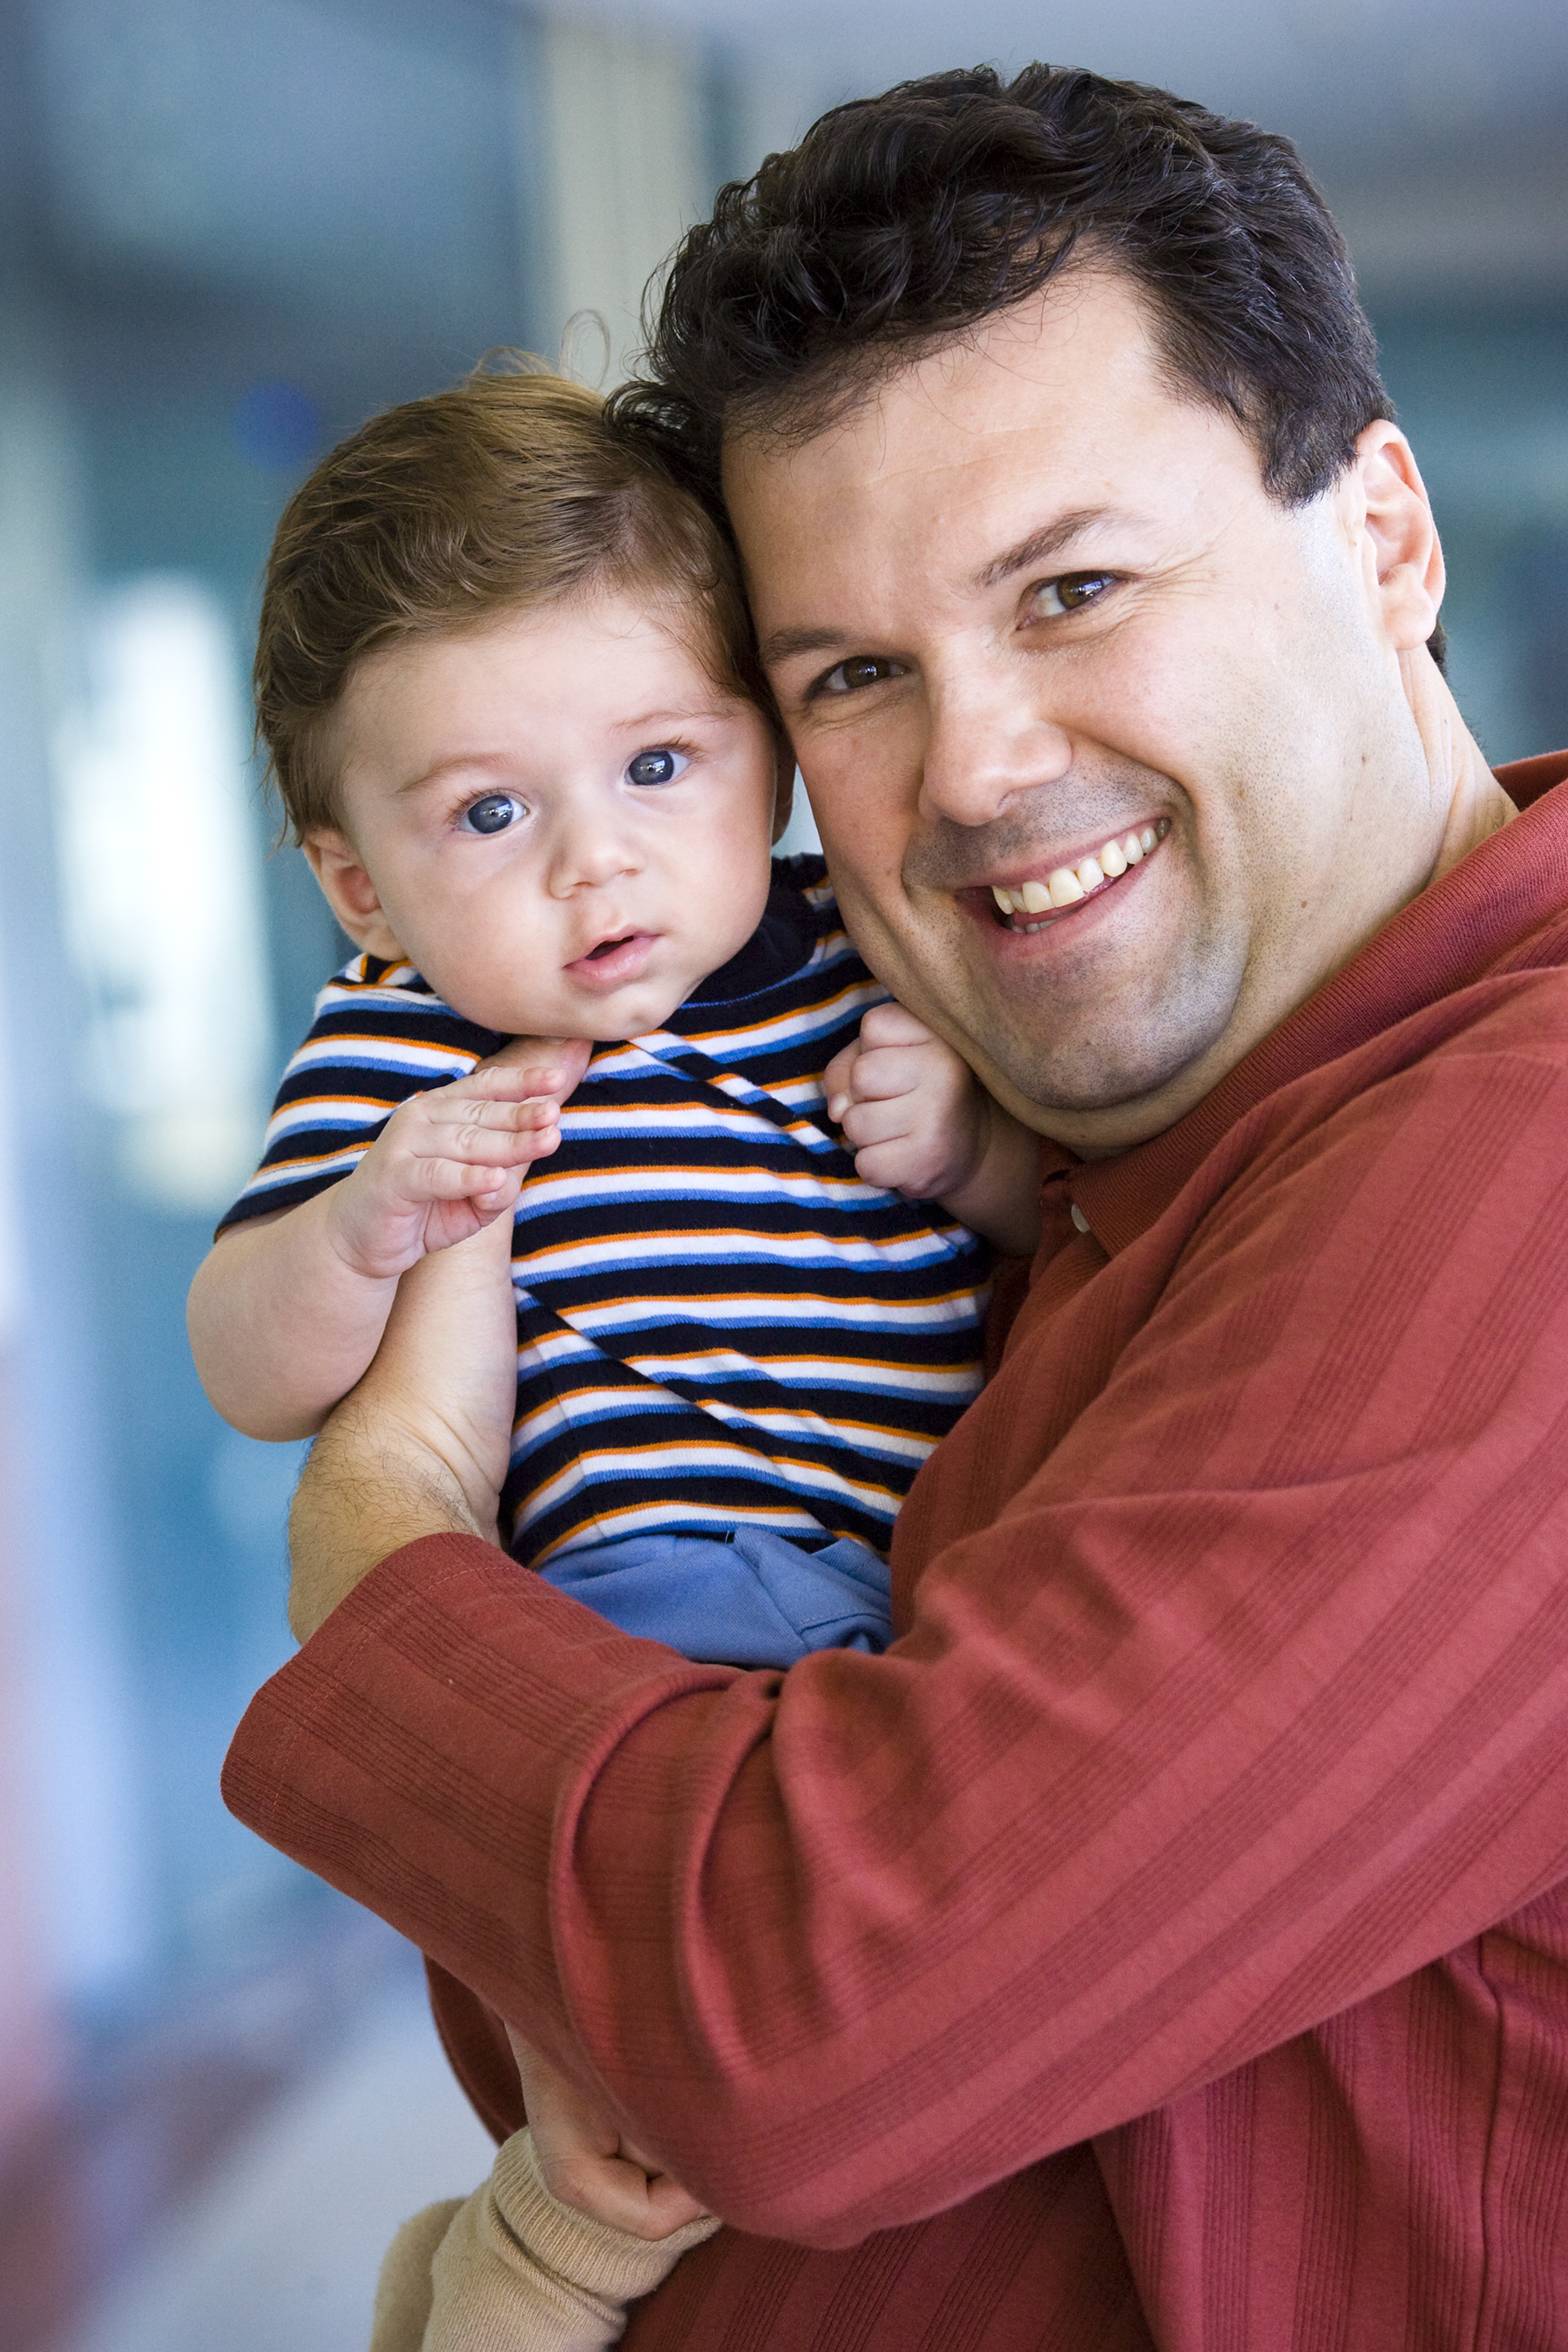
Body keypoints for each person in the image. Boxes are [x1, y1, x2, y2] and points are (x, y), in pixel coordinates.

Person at [224, 62, 1568, 2349]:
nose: (973, 769)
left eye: (1075, 588)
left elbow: (799, 2019)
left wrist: (388, 1543)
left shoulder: (1511, 1152)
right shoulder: (1070, 1162)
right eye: (851, 672)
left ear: (1384, 538)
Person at [187, 367, 1040, 2347]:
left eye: (659, 766)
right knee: (678, 2065)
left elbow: (1055, 1228)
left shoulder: (869, 957)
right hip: (635, 1610)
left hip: (931, 1594)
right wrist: (366, 1223)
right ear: (358, 885)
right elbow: (247, 1358)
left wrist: (968, 1145)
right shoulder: (410, 1048)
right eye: (490, 813)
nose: (599, 866)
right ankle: (534, 2260)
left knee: (930, 2020)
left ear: (768, 755)